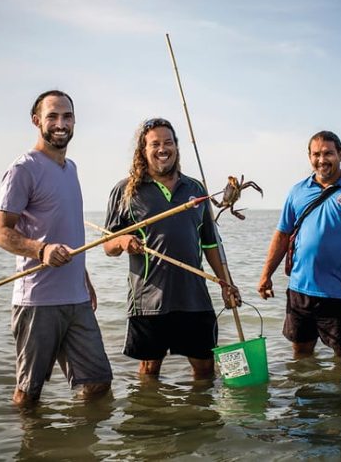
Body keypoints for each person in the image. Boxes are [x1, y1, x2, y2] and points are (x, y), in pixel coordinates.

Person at [0, 90, 113, 407]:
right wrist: (41, 250)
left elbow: (67, 229)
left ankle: (79, 449)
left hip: (76, 300)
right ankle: (32, 450)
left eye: (67, 116)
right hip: (37, 301)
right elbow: (0, 231)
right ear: (37, 121)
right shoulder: (23, 169)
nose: (61, 123)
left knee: (99, 384)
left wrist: (84, 279)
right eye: (53, 116)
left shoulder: (71, 168)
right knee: (29, 395)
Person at [103, 117, 240, 380]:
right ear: (143, 150)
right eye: (154, 144)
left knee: (205, 369)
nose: (162, 149)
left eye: (168, 142)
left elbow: (211, 243)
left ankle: (199, 419)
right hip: (148, 301)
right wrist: (122, 241)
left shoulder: (196, 189)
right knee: (149, 370)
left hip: (194, 297)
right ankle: (153, 420)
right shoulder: (125, 191)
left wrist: (226, 284)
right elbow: (107, 245)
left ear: (176, 147)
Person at [257, 131, 341, 360]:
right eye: (316, 154)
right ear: (309, 156)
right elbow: (282, 235)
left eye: (328, 153)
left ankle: (340, 396)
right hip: (299, 290)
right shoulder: (297, 191)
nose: (322, 159)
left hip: (339, 292)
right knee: (301, 355)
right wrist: (266, 275)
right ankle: (305, 395)